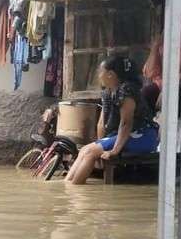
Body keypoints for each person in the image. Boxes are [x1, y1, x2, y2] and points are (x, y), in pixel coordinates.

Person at [65, 54, 158, 185]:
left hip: (142, 136)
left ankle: (73, 190)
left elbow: (126, 123)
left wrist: (114, 151)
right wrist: (100, 146)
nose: (98, 75)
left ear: (110, 74)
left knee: (90, 153)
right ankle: (67, 185)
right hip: (125, 135)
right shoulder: (108, 93)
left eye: (100, 71)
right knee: (86, 150)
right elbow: (101, 124)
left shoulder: (126, 91)